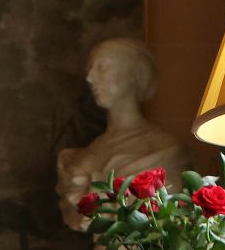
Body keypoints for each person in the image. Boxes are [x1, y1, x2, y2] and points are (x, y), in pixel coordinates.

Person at [55, 37, 191, 230]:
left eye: (102, 67)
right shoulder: (79, 154)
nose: (90, 77)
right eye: (90, 68)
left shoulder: (164, 149)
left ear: (134, 75)